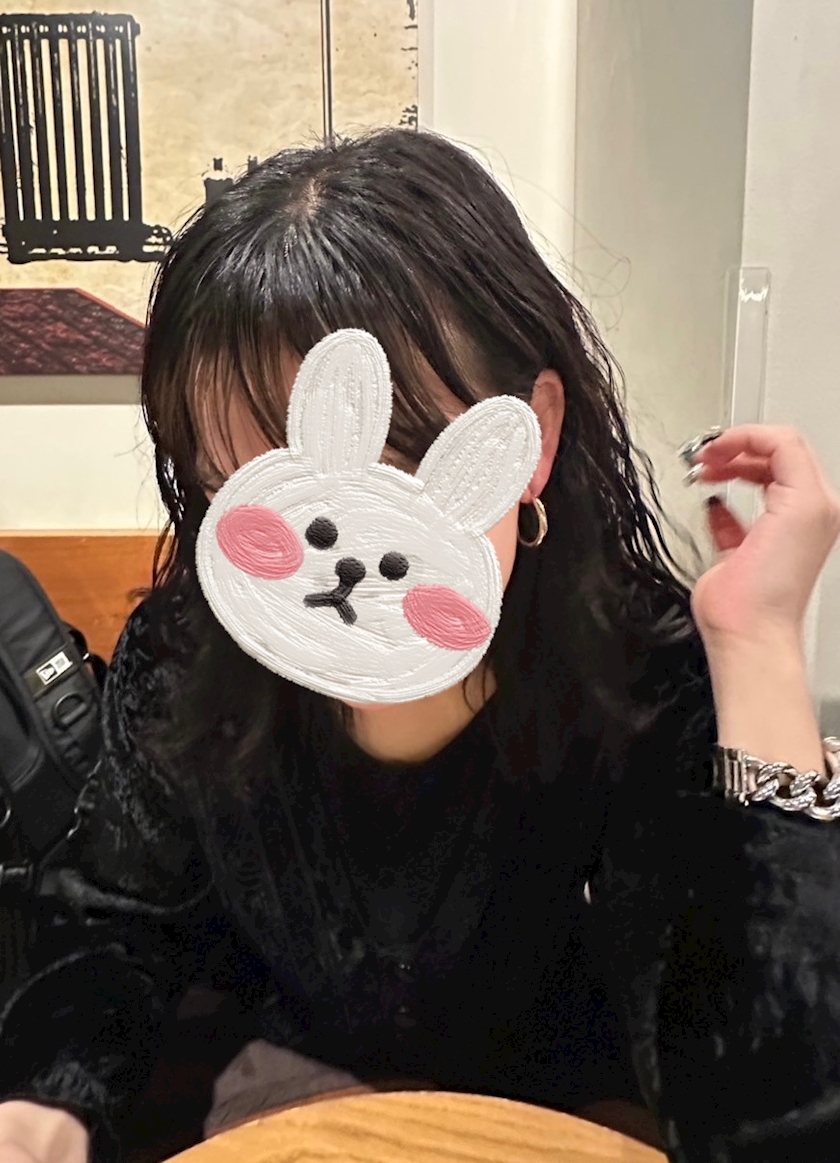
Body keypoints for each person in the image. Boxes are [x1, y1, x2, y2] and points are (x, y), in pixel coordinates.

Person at [0, 128, 839, 1163]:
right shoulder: (184, 658)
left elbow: (769, 1108)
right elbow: (111, 924)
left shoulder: (635, 669)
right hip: (280, 1108)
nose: (332, 569)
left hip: (560, 1114)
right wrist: (46, 1103)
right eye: (243, 485)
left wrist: (758, 651)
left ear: (525, 439)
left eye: (390, 469)